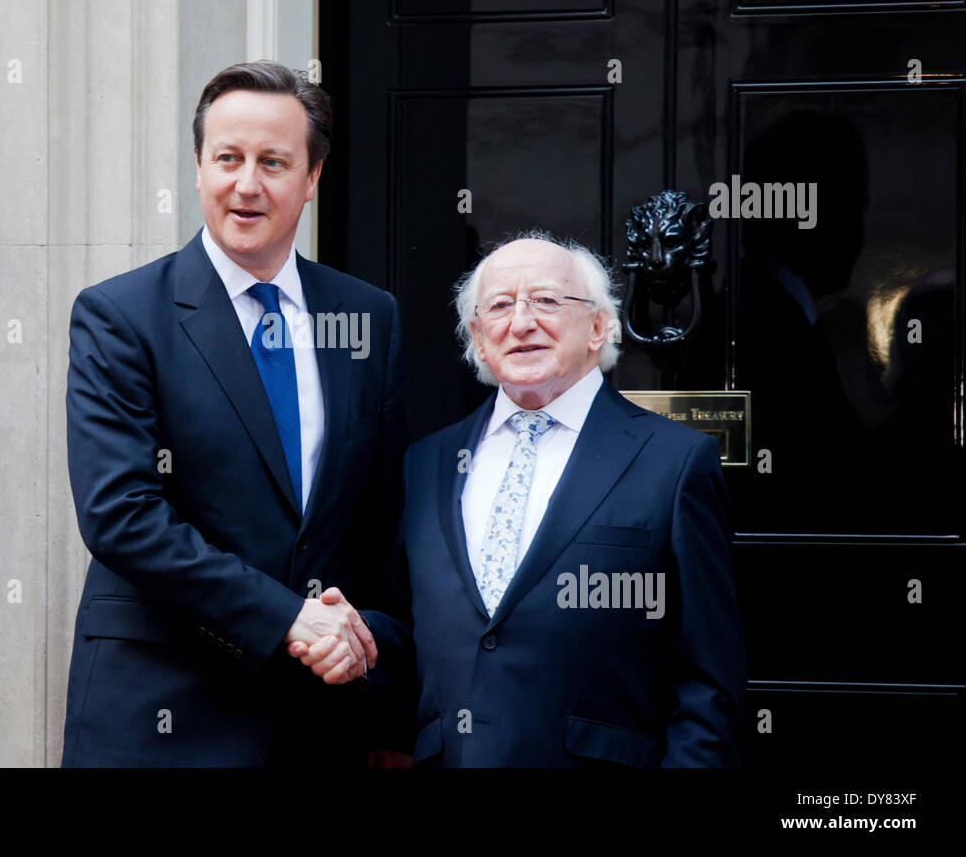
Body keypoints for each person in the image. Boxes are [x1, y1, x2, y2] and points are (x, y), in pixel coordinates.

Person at [61, 61, 410, 766]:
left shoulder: (369, 317)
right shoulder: (121, 316)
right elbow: (121, 516)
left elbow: (380, 521)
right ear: (198, 168)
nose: (246, 184)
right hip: (164, 713)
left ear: (312, 179)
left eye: (273, 162)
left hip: (318, 723)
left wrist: (366, 641)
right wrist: (288, 618)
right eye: (228, 158)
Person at [393, 232, 745, 766]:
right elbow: (405, 632)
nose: (522, 321)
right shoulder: (426, 464)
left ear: (599, 325)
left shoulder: (673, 462)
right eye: (501, 306)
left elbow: (708, 682)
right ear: (478, 337)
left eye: (546, 300)